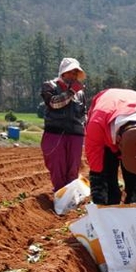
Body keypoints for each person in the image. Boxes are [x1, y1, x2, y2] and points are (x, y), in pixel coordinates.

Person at [84, 88, 136, 205]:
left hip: (126, 114)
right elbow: (97, 171)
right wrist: (99, 199)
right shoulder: (97, 125)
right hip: (106, 131)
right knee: (109, 189)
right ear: (119, 141)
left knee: (134, 184)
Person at [40, 57, 88, 192]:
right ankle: (60, 193)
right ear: (63, 73)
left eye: (75, 73)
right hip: (55, 133)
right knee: (57, 165)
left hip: (75, 134)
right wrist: (71, 92)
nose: (73, 76)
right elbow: (54, 103)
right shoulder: (50, 86)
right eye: (71, 72)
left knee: (73, 167)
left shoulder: (80, 94)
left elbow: (84, 112)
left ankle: (70, 196)